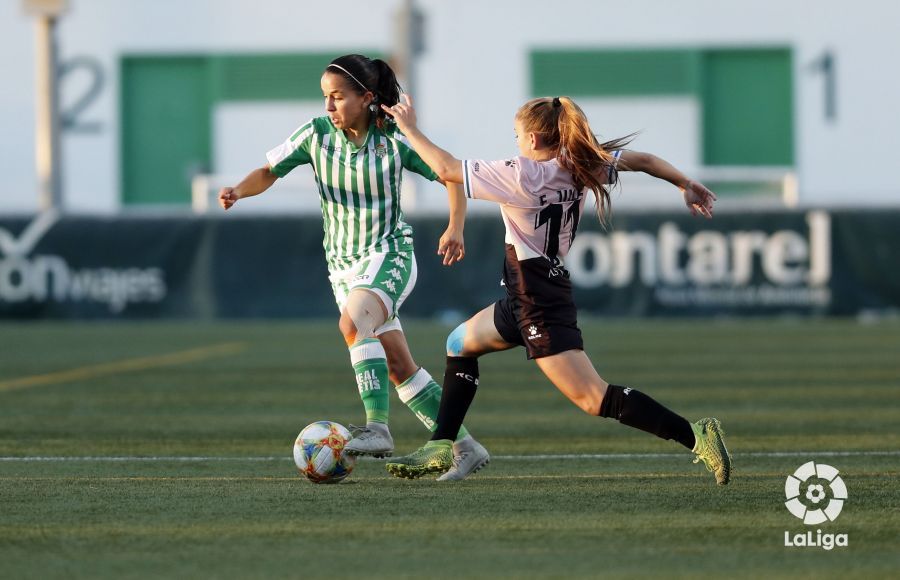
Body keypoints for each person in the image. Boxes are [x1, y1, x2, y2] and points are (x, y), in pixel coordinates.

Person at [380, 94, 732, 485]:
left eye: (516, 134)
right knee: (460, 343)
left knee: (594, 398)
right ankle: (445, 444)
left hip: (538, 302)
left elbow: (445, 168)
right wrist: (684, 183)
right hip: (527, 293)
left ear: (532, 138)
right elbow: (645, 161)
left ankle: (696, 434)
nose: (514, 141)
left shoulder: (521, 174)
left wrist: (409, 127)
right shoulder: (580, 163)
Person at [218, 54, 488, 477]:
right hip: (342, 266)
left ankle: (378, 428)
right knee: (399, 367)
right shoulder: (316, 135)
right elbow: (269, 171)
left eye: (337, 97)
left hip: (389, 254)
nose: (328, 107)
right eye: (325, 97)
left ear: (365, 97)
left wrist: (456, 227)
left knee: (352, 323)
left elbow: (452, 174)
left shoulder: (396, 140)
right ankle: (465, 445)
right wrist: (238, 190)